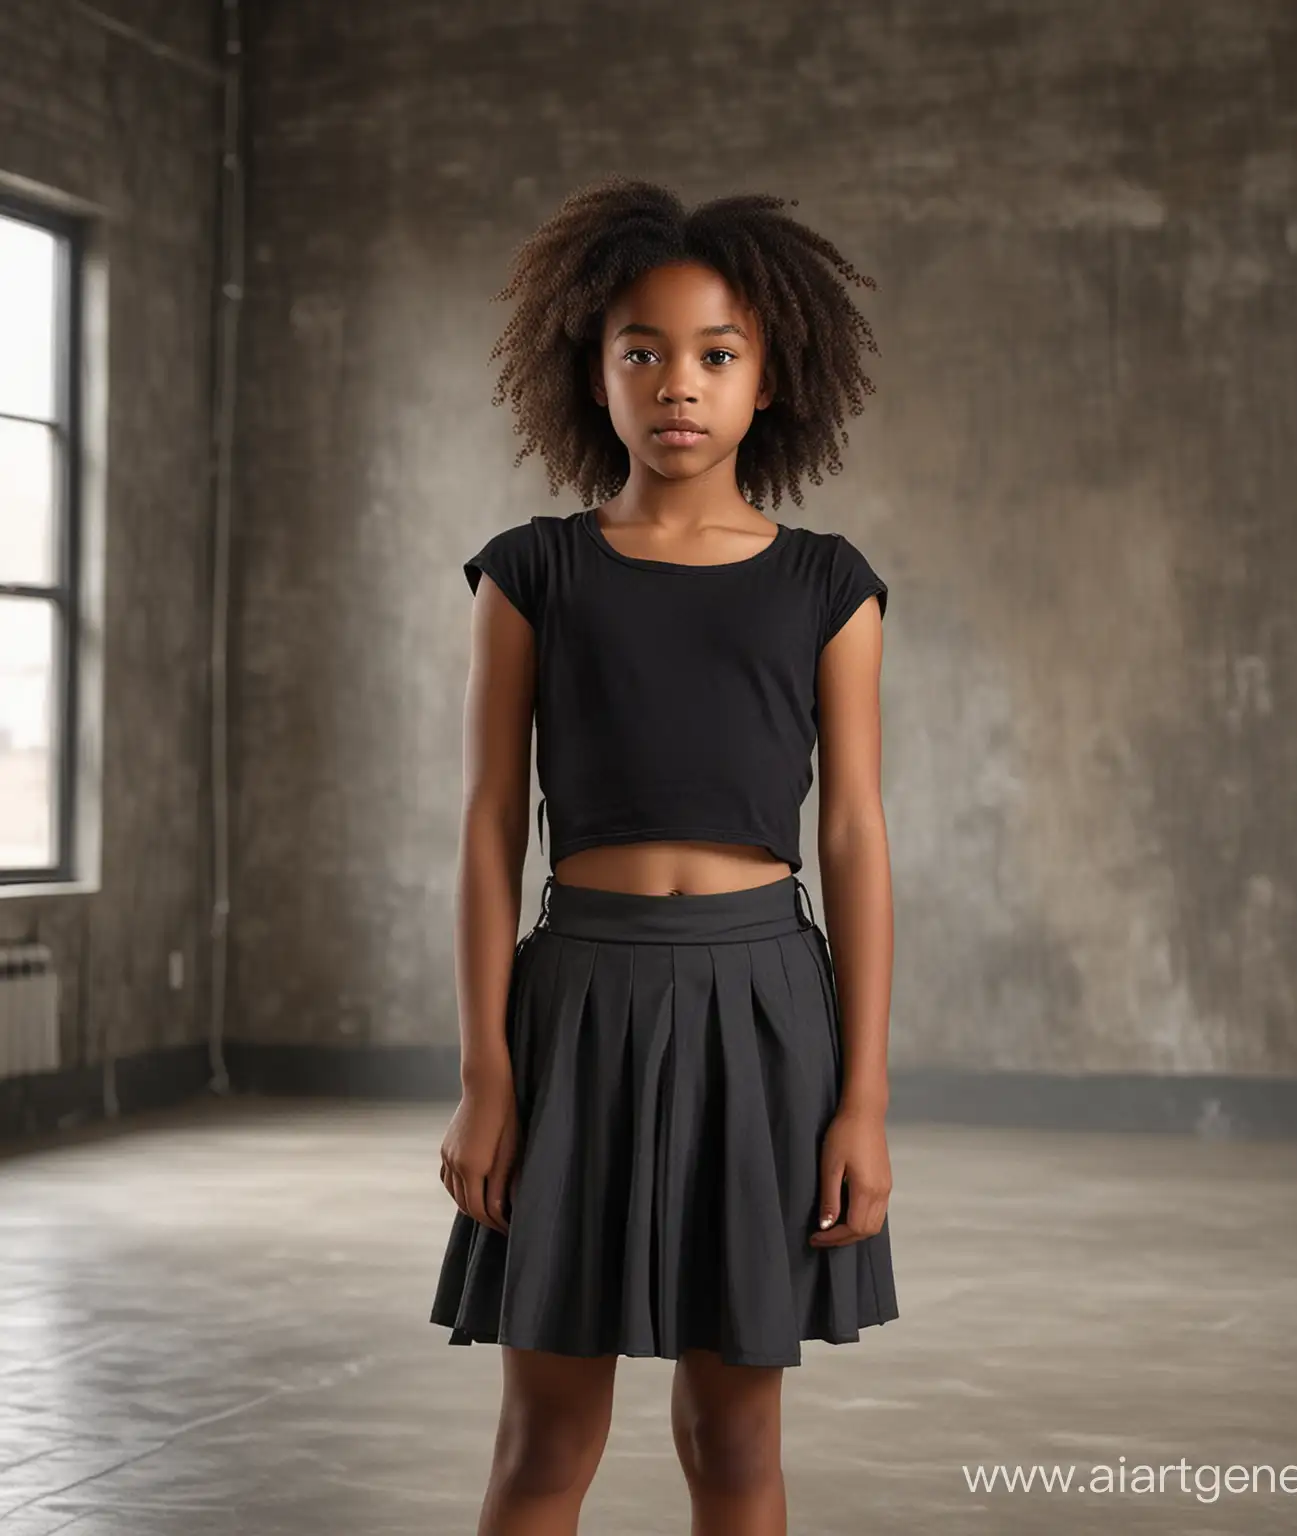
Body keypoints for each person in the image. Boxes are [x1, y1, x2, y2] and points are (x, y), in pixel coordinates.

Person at [429, 175, 898, 1536]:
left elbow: (855, 838)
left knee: (735, 1441)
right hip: (577, 1008)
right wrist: (484, 1075)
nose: (677, 385)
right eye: (643, 351)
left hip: (765, 1019)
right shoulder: (533, 574)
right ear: (593, 370)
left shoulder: (829, 586)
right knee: (541, 1440)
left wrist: (862, 1096)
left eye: (716, 354)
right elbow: (485, 825)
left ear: (771, 378)